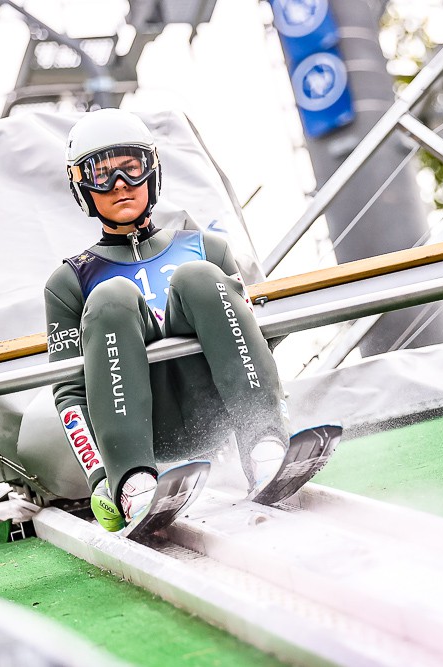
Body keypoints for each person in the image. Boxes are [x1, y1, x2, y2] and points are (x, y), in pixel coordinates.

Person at [45, 109, 290, 533]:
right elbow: (69, 393)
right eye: (101, 173)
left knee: (199, 278)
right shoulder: (69, 281)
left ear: (152, 171)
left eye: (131, 167)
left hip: (213, 412)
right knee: (111, 297)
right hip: (138, 433)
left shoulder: (207, 249)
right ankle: (134, 484)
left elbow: (252, 343)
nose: (119, 184)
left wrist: (277, 415)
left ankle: (264, 446)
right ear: (81, 186)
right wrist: (101, 475)